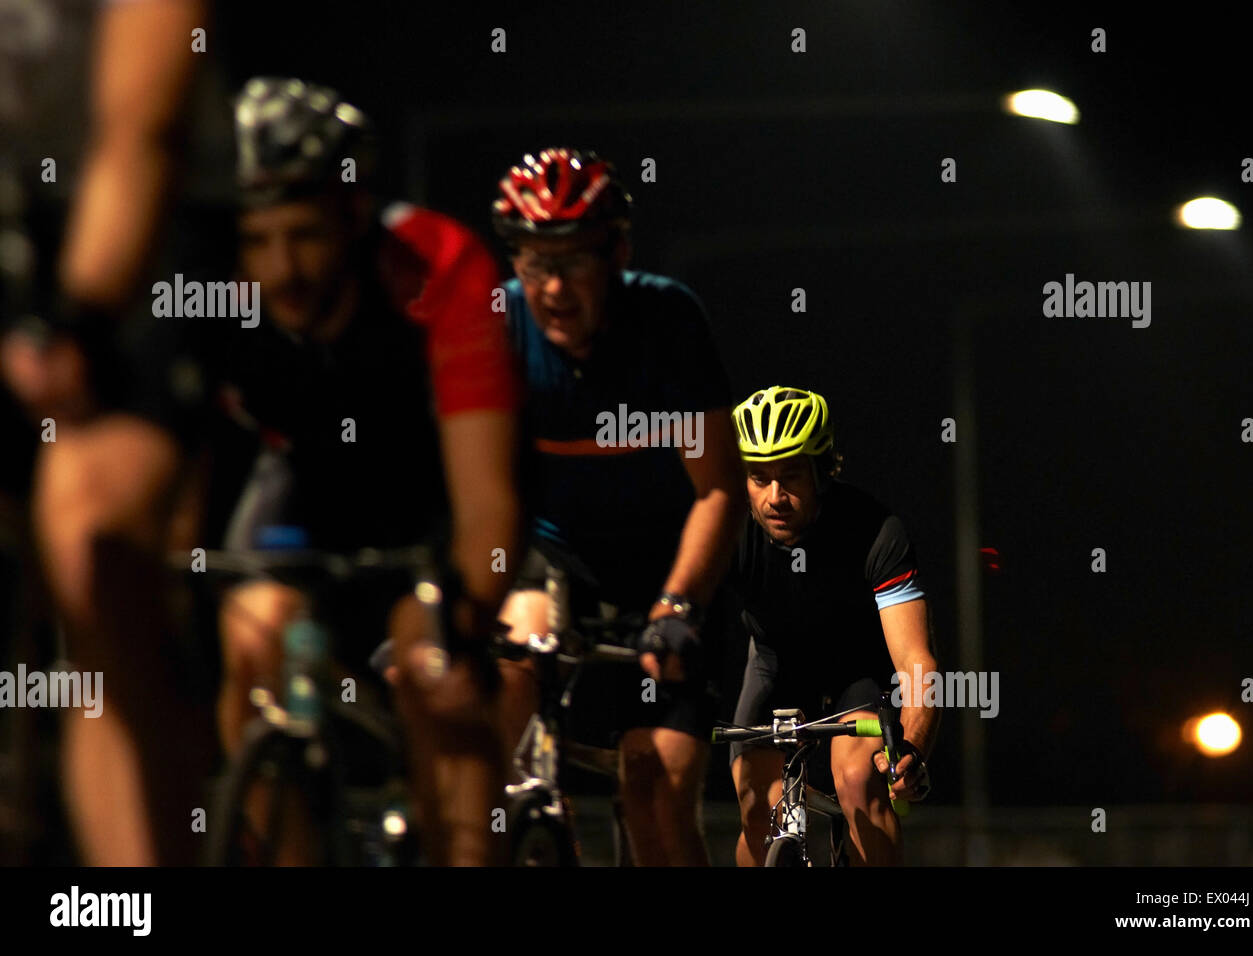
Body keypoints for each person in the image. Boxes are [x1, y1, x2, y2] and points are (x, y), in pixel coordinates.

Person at [214, 77, 521, 866]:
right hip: (310, 495)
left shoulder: (439, 266)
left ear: (354, 217)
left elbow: (488, 499)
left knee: (434, 674)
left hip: (437, 499)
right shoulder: (209, 287)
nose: (282, 271)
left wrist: (457, 613)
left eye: (306, 236)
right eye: (258, 241)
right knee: (250, 641)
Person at [0, 0, 218, 866]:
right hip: (16, 208)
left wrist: (80, 324)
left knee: (90, 533)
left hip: (148, 204)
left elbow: (141, 126)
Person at [491, 147, 746, 866]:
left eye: (573, 261)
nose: (553, 287)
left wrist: (679, 609)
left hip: (668, 569)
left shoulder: (667, 321)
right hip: (555, 556)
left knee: (653, 790)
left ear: (618, 254)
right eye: (534, 262)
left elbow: (720, 489)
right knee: (499, 686)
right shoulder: (500, 322)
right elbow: (475, 487)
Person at [727, 385, 939, 866]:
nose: (775, 497)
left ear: (822, 471)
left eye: (791, 476)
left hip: (856, 673)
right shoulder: (730, 528)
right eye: (759, 478)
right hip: (775, 669)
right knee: (758, 809)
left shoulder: (876, 530)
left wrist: (912, 748)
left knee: (859, 783)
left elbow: (916, 659)